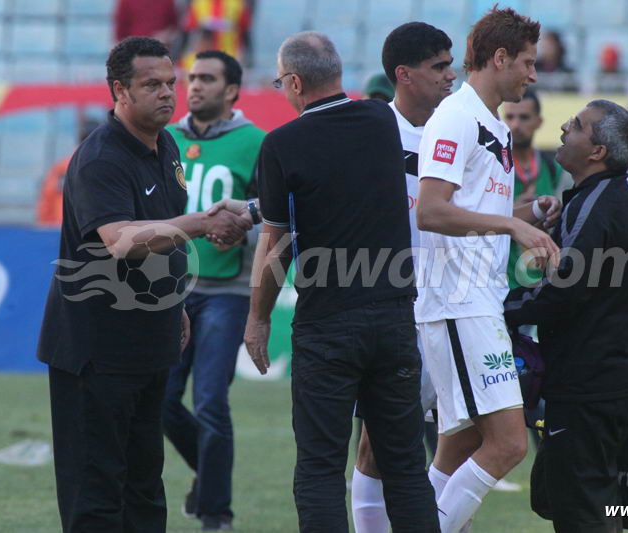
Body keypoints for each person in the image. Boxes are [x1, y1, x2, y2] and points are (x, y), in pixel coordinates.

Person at [36, 36, 249, 532]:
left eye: (170, 83)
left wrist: (172, 301)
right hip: (96, 350)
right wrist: (201, 222)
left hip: (147, 343)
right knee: (97, 495)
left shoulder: (167, 144)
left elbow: (160, 229)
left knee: (145, 491)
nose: (167, 94)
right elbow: (120, 240)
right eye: (151, 84)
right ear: (120, 91)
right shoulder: (100, 158)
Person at [241, 31, 439, 532]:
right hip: (396, 318)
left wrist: (258, 319)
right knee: (406, 469)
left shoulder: (281, 144)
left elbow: (277, 244)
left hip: (328, 323)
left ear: (294, 81)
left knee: (319, 470)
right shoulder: (378, 120)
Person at [414, 8, 561, 532]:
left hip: (478, 301)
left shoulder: (490, 122)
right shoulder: (457, 117)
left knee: (463, 448)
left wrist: (528, 214)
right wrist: (513, 230)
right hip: (458, 303)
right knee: (508, 444)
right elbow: (430, 210)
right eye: (526, 62)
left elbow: (477, 211)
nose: (533, 74)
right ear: (499, 58)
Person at [504, 100, 628, 532]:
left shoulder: (598, 202)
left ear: (597, 152)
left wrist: (499, 308)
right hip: (606, 377)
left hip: (589, 384)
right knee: (575, 498)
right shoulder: (600, 197)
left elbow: (564, 288)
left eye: (578, 125)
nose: (566, 128)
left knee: (581, 509)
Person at [349, 22, 456, 533]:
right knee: (380, 439)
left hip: (456, 303)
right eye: (439, 67)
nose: (450, 76)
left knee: (467, 438)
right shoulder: (373, 133)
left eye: (450, 64)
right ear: (404, 74)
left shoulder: (457, 130)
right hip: (396, 308)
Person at [162, 50, 265, 531]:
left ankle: (216, 514)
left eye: (207, 78)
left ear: (231, 90)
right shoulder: (167, 140)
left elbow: (273, 215)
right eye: (191, 78)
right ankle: (210, 474)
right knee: (160, 400)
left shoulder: (257, 143)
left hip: (229, 290)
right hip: (168, 290)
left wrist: (241, 227)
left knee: (208, 402)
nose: (194, 86)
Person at [501, 88, 566, 291]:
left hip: (541, 283)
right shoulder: (493, 164)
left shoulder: (552, 167)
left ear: (539, 122)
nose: (515, 125)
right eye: (510, 117)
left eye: (524, 117)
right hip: (501, 282)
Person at [37, 118, 102, 226]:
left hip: (62, 230)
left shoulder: (63, 167)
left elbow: (46, 202)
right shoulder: (108, 168)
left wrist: (46, 228)